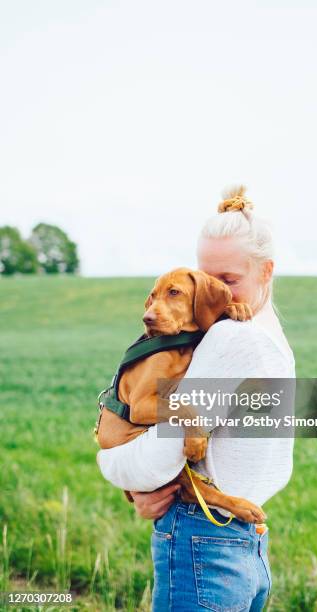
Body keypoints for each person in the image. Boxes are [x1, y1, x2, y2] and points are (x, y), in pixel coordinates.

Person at [96, 186, 296, 611]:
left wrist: (114, 469)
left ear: (266, 271)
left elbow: (163, 451)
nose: (214, 292)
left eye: (227, 281)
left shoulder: (228, 338)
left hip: (204, 534)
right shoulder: (276, 339)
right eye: (207, 278)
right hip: (248, 541)